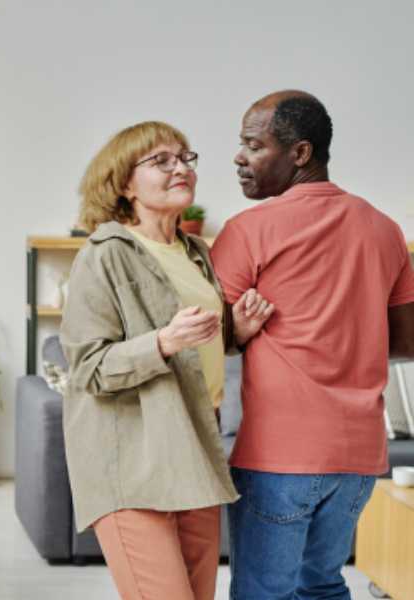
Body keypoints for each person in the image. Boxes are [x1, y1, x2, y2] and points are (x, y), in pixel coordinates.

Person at [210, 90, 414, 599]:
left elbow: (205, 340)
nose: (239, 157)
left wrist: (241, 333)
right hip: (357, 458)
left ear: (300, 153)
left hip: (279, 455)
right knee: (322, 586)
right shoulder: (385, 230)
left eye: (254, 145)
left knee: (263, 593)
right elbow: (407, 342)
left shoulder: (247, 230)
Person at [61, 121, 273, 600]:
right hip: (133, 460)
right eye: (161, 161)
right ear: (125, 183)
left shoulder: (196, 252)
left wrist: (233, 332)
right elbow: (89, 367)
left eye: (185, 158)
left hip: (195, 447)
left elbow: (196, 345)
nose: (181, 168)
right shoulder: (103, 255)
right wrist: (162, 342)